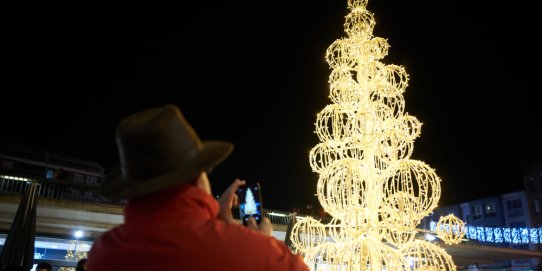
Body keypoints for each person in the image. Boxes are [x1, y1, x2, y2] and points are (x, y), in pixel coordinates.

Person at [86, 104, 309, 271]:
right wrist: (263, 244)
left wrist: (217, 224)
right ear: (198, 179)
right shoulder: (256, 251)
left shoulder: (102, 253)